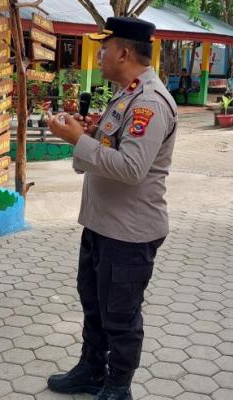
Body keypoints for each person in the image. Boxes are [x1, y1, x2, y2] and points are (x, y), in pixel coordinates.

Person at [45, 17, 177, 400]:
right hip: (103, 224)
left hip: (129, 232)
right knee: (94, 305)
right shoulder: (125, 95)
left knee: (120, 316)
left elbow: (132, 169)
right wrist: (84, 136)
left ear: (123, 52)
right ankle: (91, 370)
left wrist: (79, 142)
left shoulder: (149, 102)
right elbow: (106, 152)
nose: (98, 54)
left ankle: (118, 388)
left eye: (104, 47)